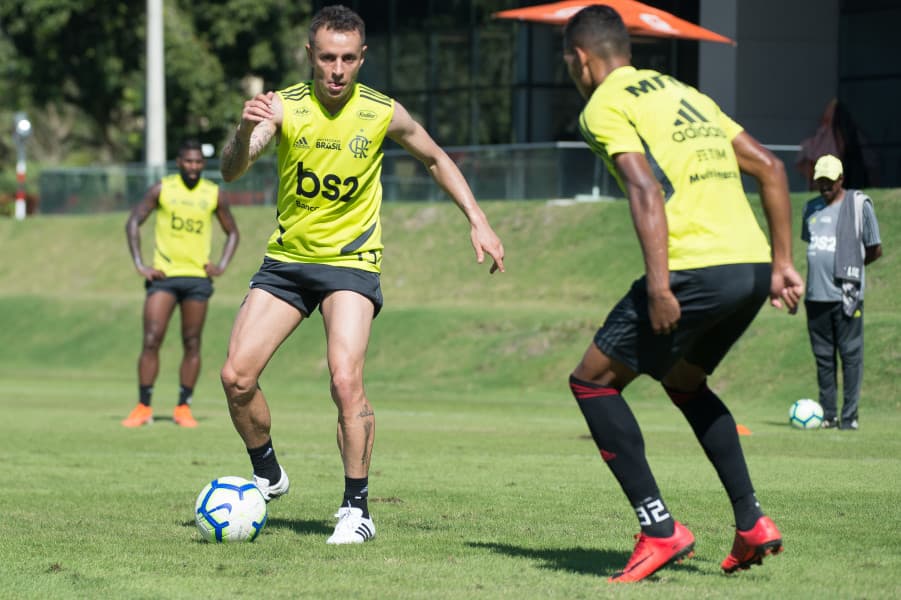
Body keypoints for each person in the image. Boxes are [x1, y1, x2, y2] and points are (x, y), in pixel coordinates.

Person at [217, 5, 504, 545]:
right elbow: (233, 168)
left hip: (351, 263)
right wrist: (244, 128)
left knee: (345, 379)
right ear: (310, 55)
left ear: (362, 57)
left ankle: (356, 509)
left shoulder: (381, 111)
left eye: (349, 59)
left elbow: (436, 157)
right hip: (287, 263)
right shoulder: (282, 106)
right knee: (236, 377)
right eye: (327, 58)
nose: (337, 70)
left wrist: (479, 220)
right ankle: (268, 472)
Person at [561, 6, 805, 582]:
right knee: (685, 382)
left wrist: (661, 286)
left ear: (581, 59)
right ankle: (752, 523)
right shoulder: (681, 92)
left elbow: (644, 190)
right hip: (748, 265)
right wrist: (783, 264)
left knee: (592, 382)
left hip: (695, 267)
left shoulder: (604, 104)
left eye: (570, 63)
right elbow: (770, 166)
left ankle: (659, 529)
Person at [122, 139, 240, 428]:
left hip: (197, 279)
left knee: (192, 342)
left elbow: (233, 232)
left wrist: (221, 265)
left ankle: (183, 407)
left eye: (198, 162)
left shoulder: (213, 194)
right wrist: (140, 264)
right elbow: (133, 222)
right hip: (163, 277)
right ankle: (143, 406)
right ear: (179, 162)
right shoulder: (163, 189)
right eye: (188, 161)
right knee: (152, 339)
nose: (193, 166)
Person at [801, 154, 882, 430]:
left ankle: (849, 417)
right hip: (815, 297)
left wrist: (853, 271)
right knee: (823, 359)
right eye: (819, 181)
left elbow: (874, 248)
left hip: (845, 296)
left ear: (841, 180)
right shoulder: (809, 209)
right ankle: (828, 415)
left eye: (828, 181)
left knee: (850, 357)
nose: (823, 186)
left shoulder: (858, 206)